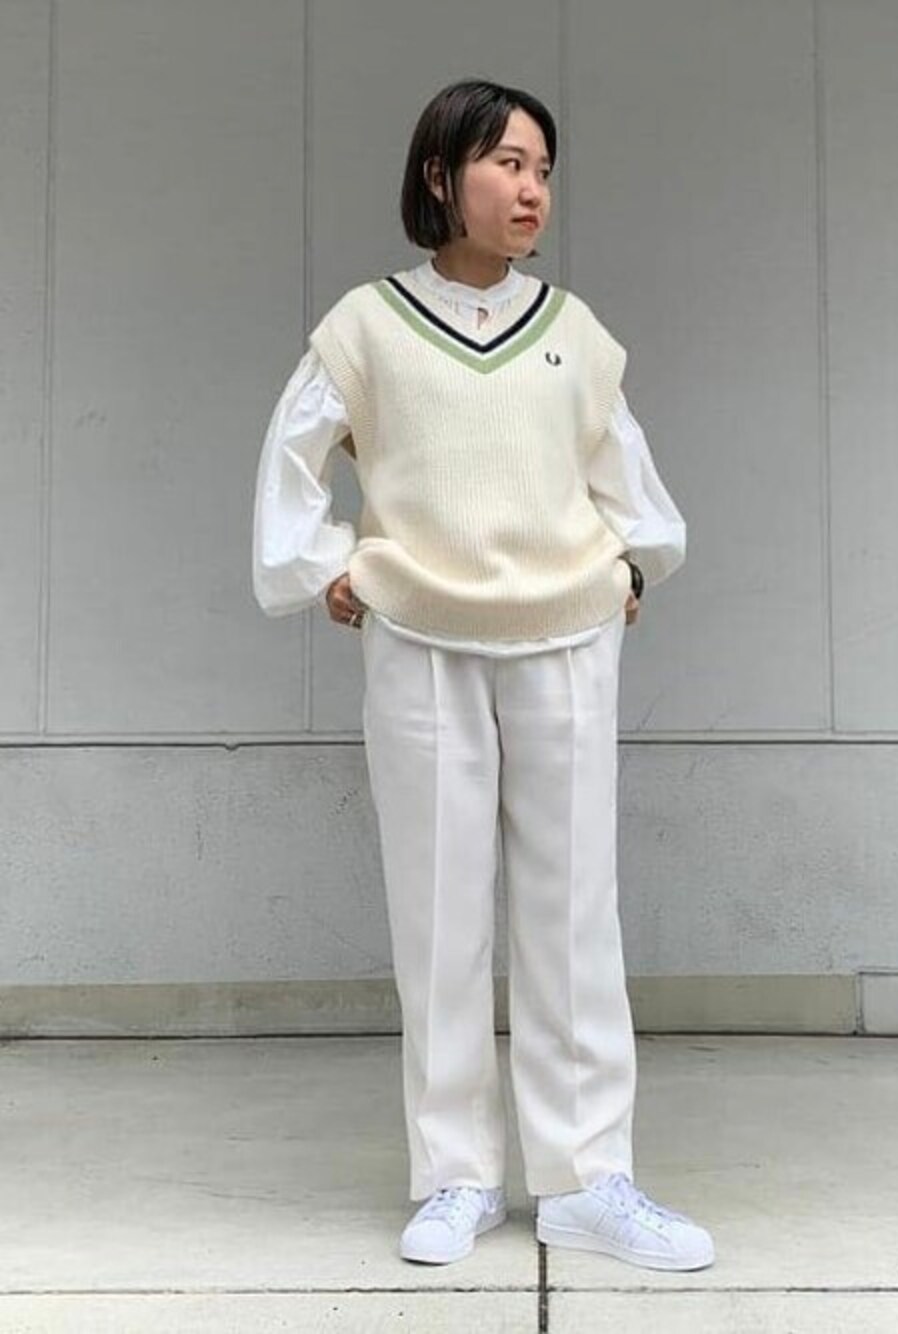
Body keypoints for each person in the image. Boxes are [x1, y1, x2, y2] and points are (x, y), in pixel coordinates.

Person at [252, 78, 714, 1273]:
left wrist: (631, 568)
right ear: (438, 175)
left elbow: (628, 479)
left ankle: (587, 1178)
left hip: (565, 635)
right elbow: (292, 461)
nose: (530, 189)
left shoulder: (572, 330)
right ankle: (455, 1173)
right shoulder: (365, 327)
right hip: (420, 636)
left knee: (574, 914)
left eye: (543, 169)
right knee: (438, 911)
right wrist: (326, 568)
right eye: (507, 162)